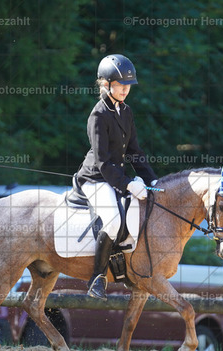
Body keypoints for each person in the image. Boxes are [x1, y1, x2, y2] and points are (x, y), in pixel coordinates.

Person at [75, 54, 158, 301]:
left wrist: (152, 180)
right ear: (106, 84)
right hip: (95, 178)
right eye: (120, 85)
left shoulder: (126, 112)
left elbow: (134, 151)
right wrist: (128, 184)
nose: (125, 90)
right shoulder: (98, 115)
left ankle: (126, 269)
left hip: (116, 176)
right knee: (112, 221)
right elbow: (103, 162)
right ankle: (97, 279)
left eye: (128, 86)